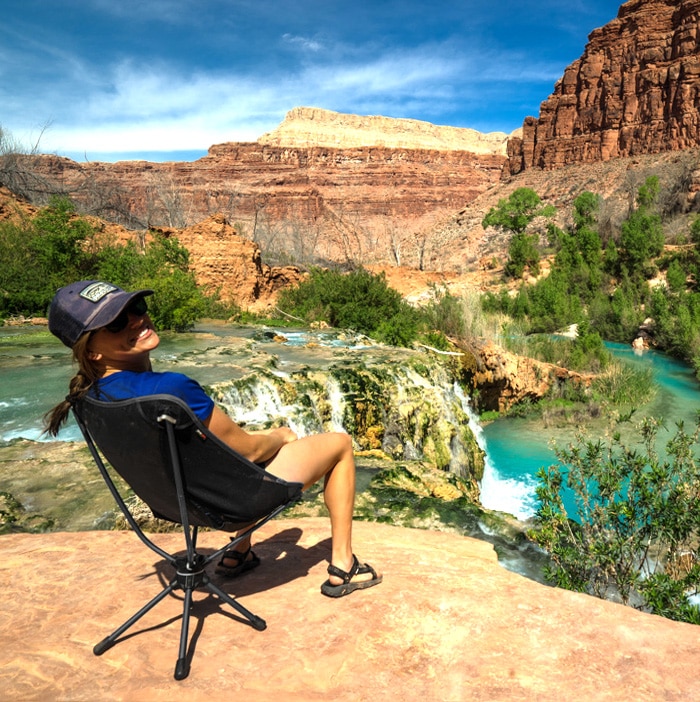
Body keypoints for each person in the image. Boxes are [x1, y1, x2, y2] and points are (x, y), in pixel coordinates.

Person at [44, 280, 382, 598]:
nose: (136, 320)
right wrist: (279, 436)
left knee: (223, 451)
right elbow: (249, 452)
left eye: (136, 306)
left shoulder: (87, 397)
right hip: (230, 505)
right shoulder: (171, 390)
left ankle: (238, 552)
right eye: (115, 324)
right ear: (91, 352)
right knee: (339, 444)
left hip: (177, 507)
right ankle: (344, 565)